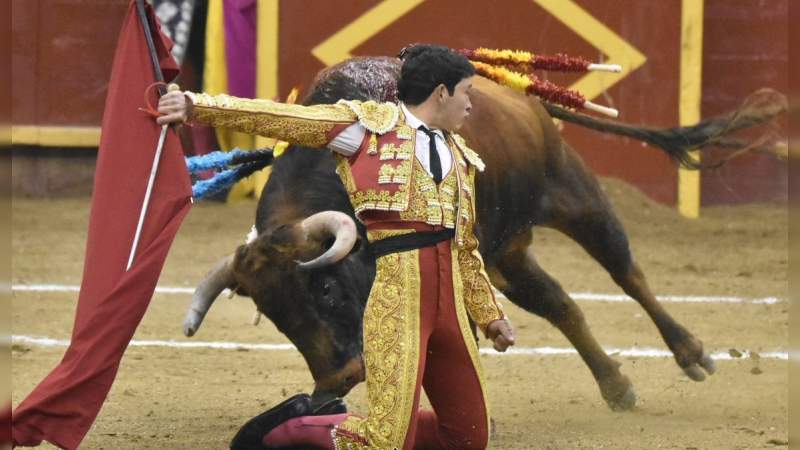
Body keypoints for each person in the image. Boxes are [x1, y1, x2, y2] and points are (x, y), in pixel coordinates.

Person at [157, 44, 515, 450]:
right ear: (441, 93)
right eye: (467, 92)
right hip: (399, 306)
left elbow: (465, 247)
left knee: (470, 439)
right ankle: (291, 428)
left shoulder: (462, 157)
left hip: (449, 310)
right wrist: (194, 106)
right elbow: (284, 119)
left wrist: (489, 316)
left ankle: (350, 423)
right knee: (385, 443)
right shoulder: (365, 130)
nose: (471, 104)